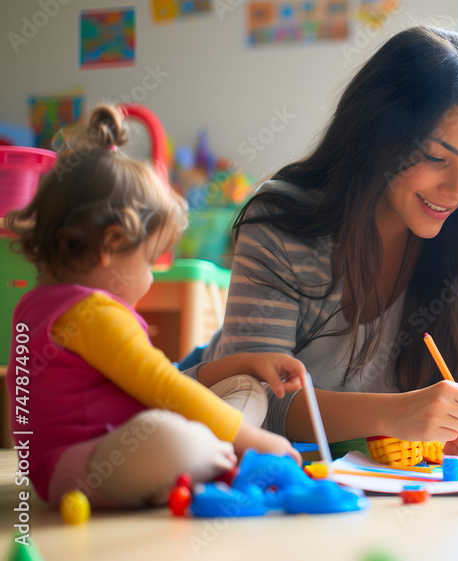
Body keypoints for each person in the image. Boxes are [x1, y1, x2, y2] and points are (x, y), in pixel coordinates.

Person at [183, 26, 458, 466]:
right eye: (436, 158)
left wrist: (456, 429)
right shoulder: (282, 223)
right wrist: (399, 414)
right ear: (378, 136)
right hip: (218, 412)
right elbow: (256, 406)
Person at [5, 105, 303, 508]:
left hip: (69, 465)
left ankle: (204, 457)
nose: (150, 279)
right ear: (111, 245)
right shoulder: (92, 313)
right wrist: (255, 439)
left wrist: (243, 363)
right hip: (90, 465)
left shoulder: (31, 305)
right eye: (149, 261)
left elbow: (159, 381)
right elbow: (165, 388)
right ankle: (221, 454)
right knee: (165, 433)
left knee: (245, 389)